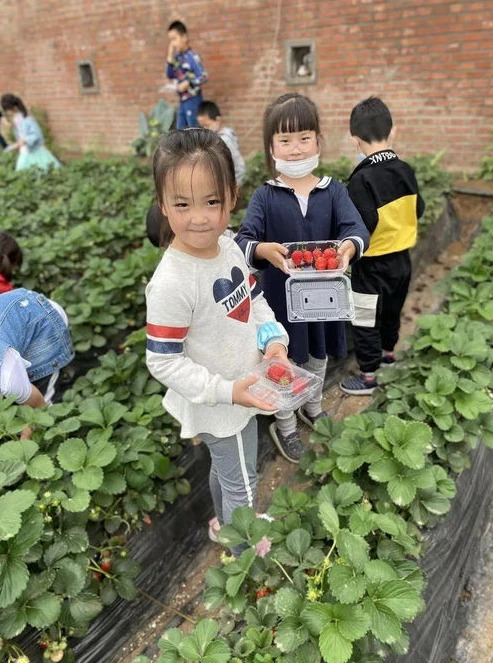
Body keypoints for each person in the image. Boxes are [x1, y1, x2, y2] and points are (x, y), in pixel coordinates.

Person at [145, 128, 289, 551]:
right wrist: (225, 391)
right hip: (219, 402)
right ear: (163, 206)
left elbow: (253, 300)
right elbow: (163, 361)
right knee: (243, 479)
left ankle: (221, 524)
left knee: (228, 470)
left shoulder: (228, 247)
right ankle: (245, 553)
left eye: (212, 201)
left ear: (232, 196)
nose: (200, 217)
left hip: (242, 386)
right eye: (182, 204)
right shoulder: (172, 282)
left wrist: (273, 339)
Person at [235, 93, 370, 463]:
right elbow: (244, 239)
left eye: (304, 138)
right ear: (271, 147)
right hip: (279, 303)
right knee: (283, 363)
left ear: (319, 141)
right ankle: (285, 424)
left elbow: (355, 228)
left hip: (323, 298)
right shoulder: (265, 196)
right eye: (285, 140)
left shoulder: (333, 191)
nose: (295, 149)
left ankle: (312, 406)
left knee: (318, 355)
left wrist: (347, 248)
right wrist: (262, 251)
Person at [339, 96, 425, 396]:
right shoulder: (407, 170)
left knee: (365, 319)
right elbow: (420, 209)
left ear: (355, 140)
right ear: (394, 132)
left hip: (371, 265)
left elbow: (363, 225)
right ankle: (388, 355)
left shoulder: (360, 180)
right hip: (402, 260)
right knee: (391, 311)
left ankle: (368, 377)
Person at [0, 236, 74, 421]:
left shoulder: (7, 379)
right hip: (18, 317)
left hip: (44, 323)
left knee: (40, 407)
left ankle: (54, 433)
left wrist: (32, 425)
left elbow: (34, 402)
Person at [0, 94, 61, 172]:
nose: (6, 113)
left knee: (32, 173)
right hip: (25, 151)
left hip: (34, 151)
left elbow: (36, 134)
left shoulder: (27, 119)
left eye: (6, 110)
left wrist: (24, 140)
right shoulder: (17, 119)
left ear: (13, 108)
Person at [165, 21, 208, 129]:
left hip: (193, 99)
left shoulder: (192, 56)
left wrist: (189, 83)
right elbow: (170, 74)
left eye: (174, 39)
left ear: (184, 37)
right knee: (181, 132)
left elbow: (204, 76)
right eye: (170, 41)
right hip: (183, 101)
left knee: (193, 132)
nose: (173, 44)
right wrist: (169, 56)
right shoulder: (177, 57)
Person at [197, 100, 246, 185]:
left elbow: (238, 165)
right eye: (202, 126)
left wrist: (236, 185)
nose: (205, 129)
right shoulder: (212, 137)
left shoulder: (225, 139)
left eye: (207, 125)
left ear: (218, 120)